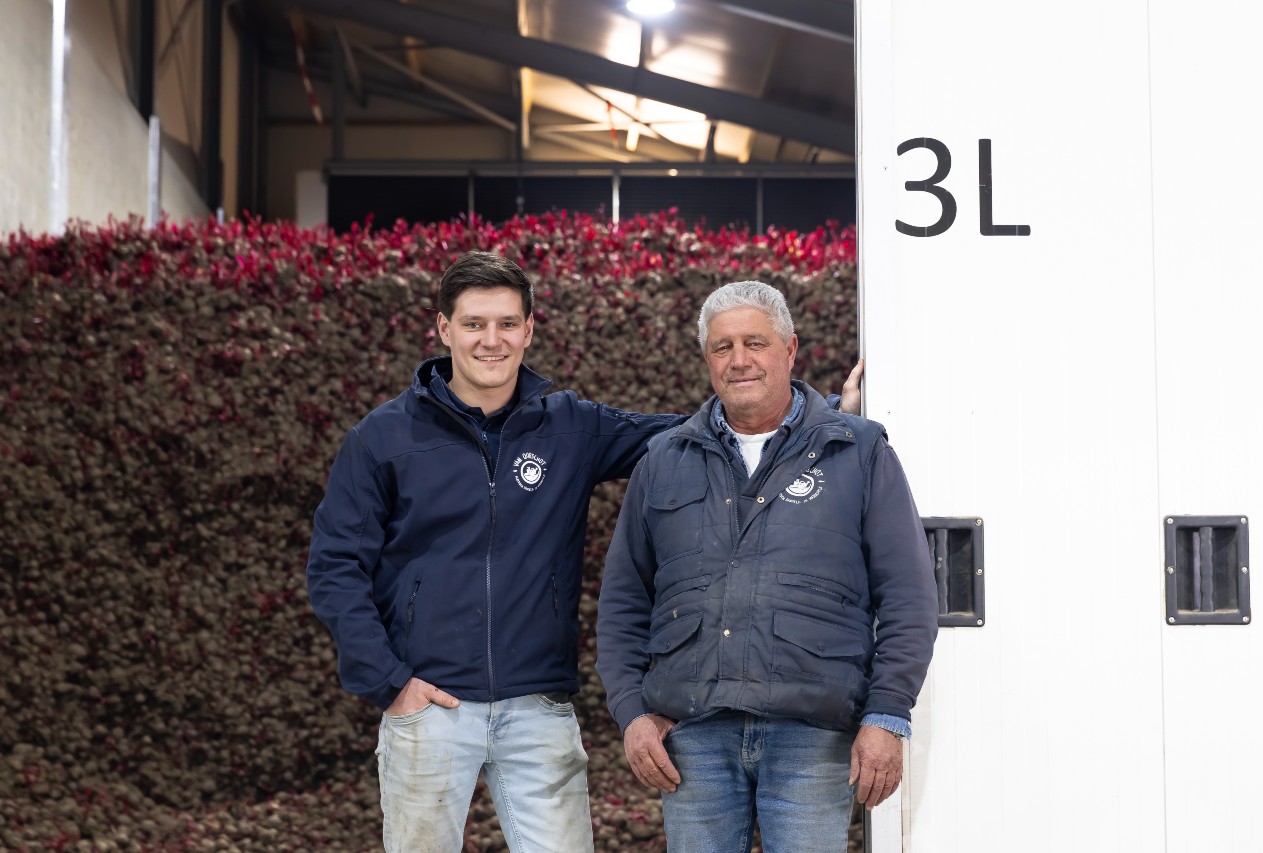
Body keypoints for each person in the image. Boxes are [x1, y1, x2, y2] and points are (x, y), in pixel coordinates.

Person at [306, 253, 863, 853]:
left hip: (538, 708)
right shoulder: (383, 438)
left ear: (529, 328)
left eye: (506, 323)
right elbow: (335, 567)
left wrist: (823, 416)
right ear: (443, 329)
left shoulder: (570, 426)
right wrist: (391, 683)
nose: (491, 340)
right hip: (429, 708)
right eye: (473, 324)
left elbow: (701, 435)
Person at [595, 280, 938, 853]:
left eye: (755, 342)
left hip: (813, 738)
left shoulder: (857, 451)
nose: (740, 359)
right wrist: (631, 712)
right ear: (707, 359)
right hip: (691, 737)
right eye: (722, 347)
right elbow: (624, 602)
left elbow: (908, 596)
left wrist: (888, 714)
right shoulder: (663, 460)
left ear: (790, 349)